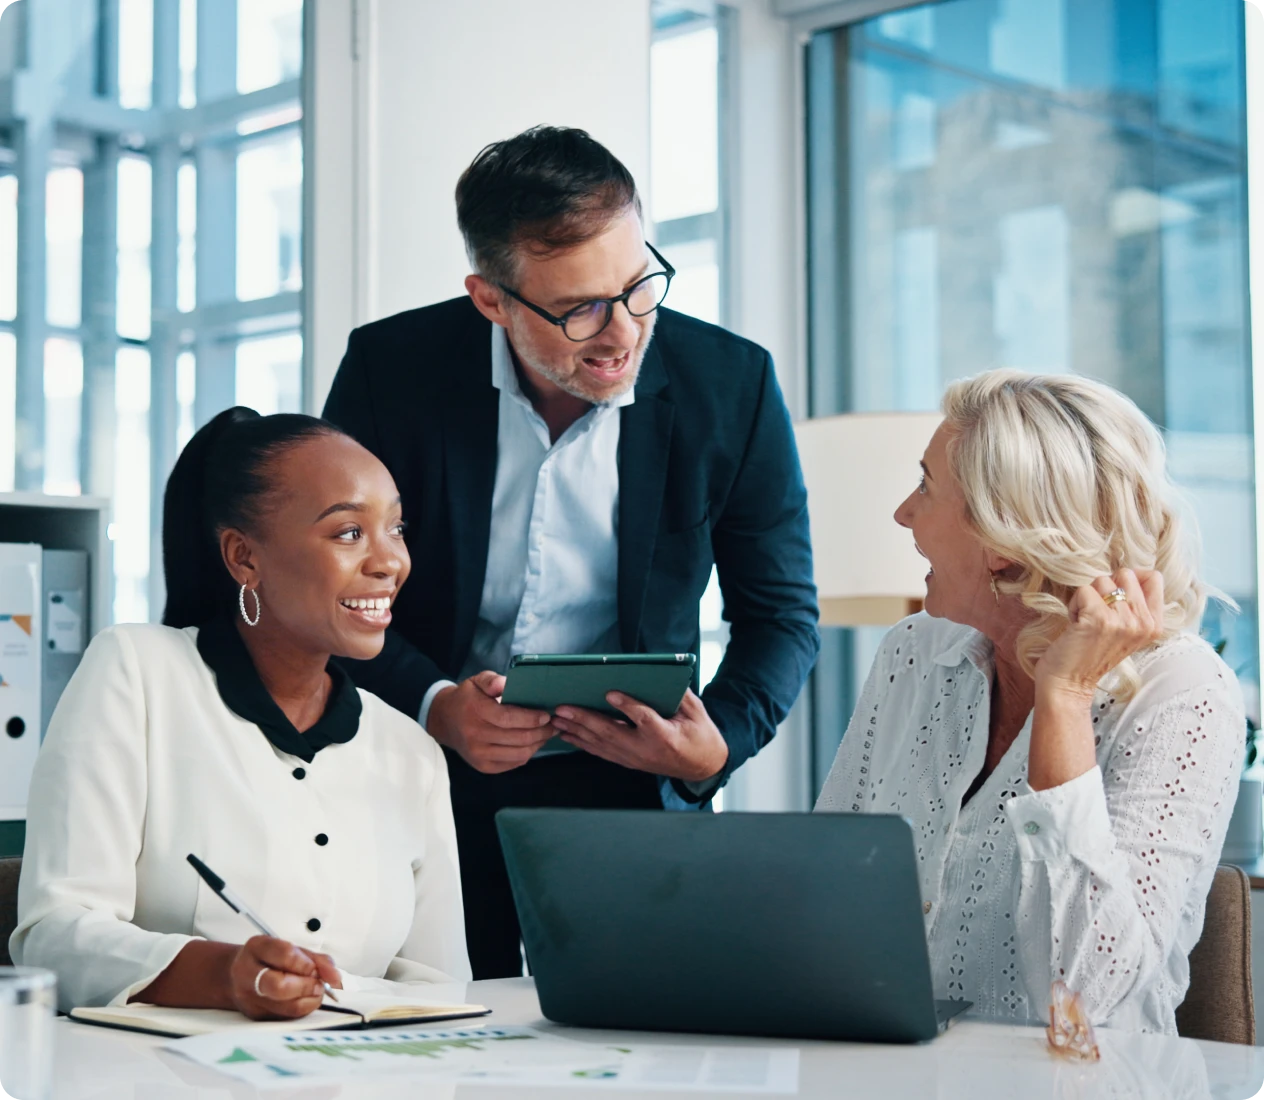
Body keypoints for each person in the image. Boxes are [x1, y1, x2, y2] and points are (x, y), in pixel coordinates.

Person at [322, 125, 820, 978]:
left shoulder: (729, 384)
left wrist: (718, 746)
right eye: (580, 308)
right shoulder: (391, 369)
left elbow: (781, 616)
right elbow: (332, 588)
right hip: (425, 774)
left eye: (638, 287)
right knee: (440, 1043)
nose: (623, 333)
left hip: (634, 786)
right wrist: (436, 700)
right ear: (491, 299)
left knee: (638, 1047)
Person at [816, 370, 1245, 1034]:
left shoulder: (1184, 695)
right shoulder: (912, 653)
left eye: (926, 487)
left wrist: (1066, 699)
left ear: (1002, 544)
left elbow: (1089, 997)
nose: (904, 512)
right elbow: (821, 891)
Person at [10, 408, 471, 1016]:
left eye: (396, 528)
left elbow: (444, 989)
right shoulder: (137, 673)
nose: (390, 562)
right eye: (349, 533)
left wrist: (328, 994)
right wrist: (226, 974)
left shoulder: (409, 749)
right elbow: (54, 937)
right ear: (243, 558)